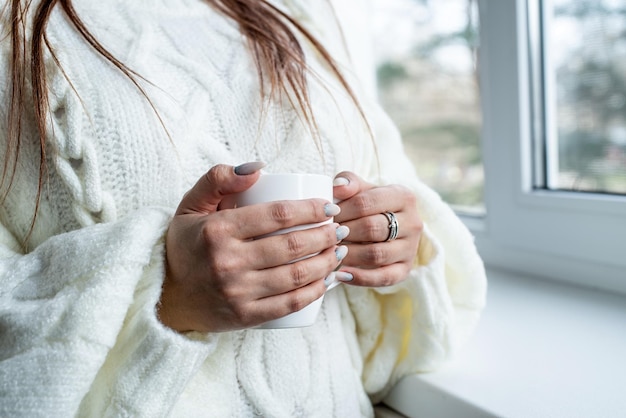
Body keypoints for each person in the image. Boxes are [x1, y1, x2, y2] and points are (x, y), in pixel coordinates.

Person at [0, 0, 487, 416]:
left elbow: (398, 200)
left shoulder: (294, 13)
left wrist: (392, 237)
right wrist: (166, 291)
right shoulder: (14, 26)